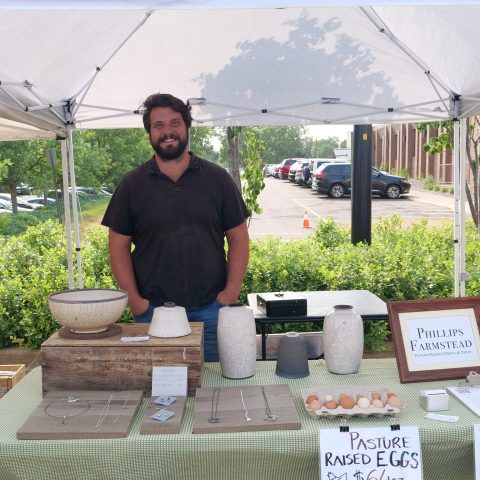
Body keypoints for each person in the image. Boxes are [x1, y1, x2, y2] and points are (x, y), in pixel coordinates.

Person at [101, 93, 249, 362]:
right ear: (149, 133)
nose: (167, 132)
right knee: (157, 390)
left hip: (212, 311)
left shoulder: (218, 179)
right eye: (158, 125)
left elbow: (238, 237)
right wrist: (135, 301)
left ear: (187, 127)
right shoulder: (131, 185)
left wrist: (230, 293)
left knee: (214, 389)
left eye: (175, 123)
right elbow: (117, 246)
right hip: (152, 313)